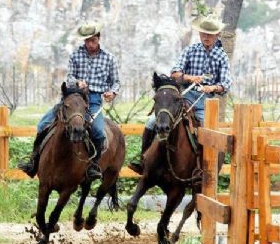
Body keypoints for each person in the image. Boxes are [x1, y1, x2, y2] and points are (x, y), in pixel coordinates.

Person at [129, 13, 232, 174]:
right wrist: (191, 78)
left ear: (217, 35)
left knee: (208, 133)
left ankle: (206, 169)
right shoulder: (190, 50)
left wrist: (211, 88)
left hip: (205, 103)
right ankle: (144, 160)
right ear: (199, 33)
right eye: (203, 33)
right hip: (183, 98)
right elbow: (175, 73)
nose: (206, 36)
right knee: (151, 122)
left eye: (210, 34)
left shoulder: (222, 57)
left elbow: (225, 84)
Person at [19, 21, 120, 181]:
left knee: (99, 132)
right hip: (72, 97)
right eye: (87, 40)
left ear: (98, 38)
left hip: (93, 100)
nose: (89, 44)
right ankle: (34, 161)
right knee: (42, 124)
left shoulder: (109, 58)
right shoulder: (75, 55)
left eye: (92, 40)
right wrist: (77, 82)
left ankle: (93, 166)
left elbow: (116, 82)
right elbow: (70, 77)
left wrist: (112, 92)